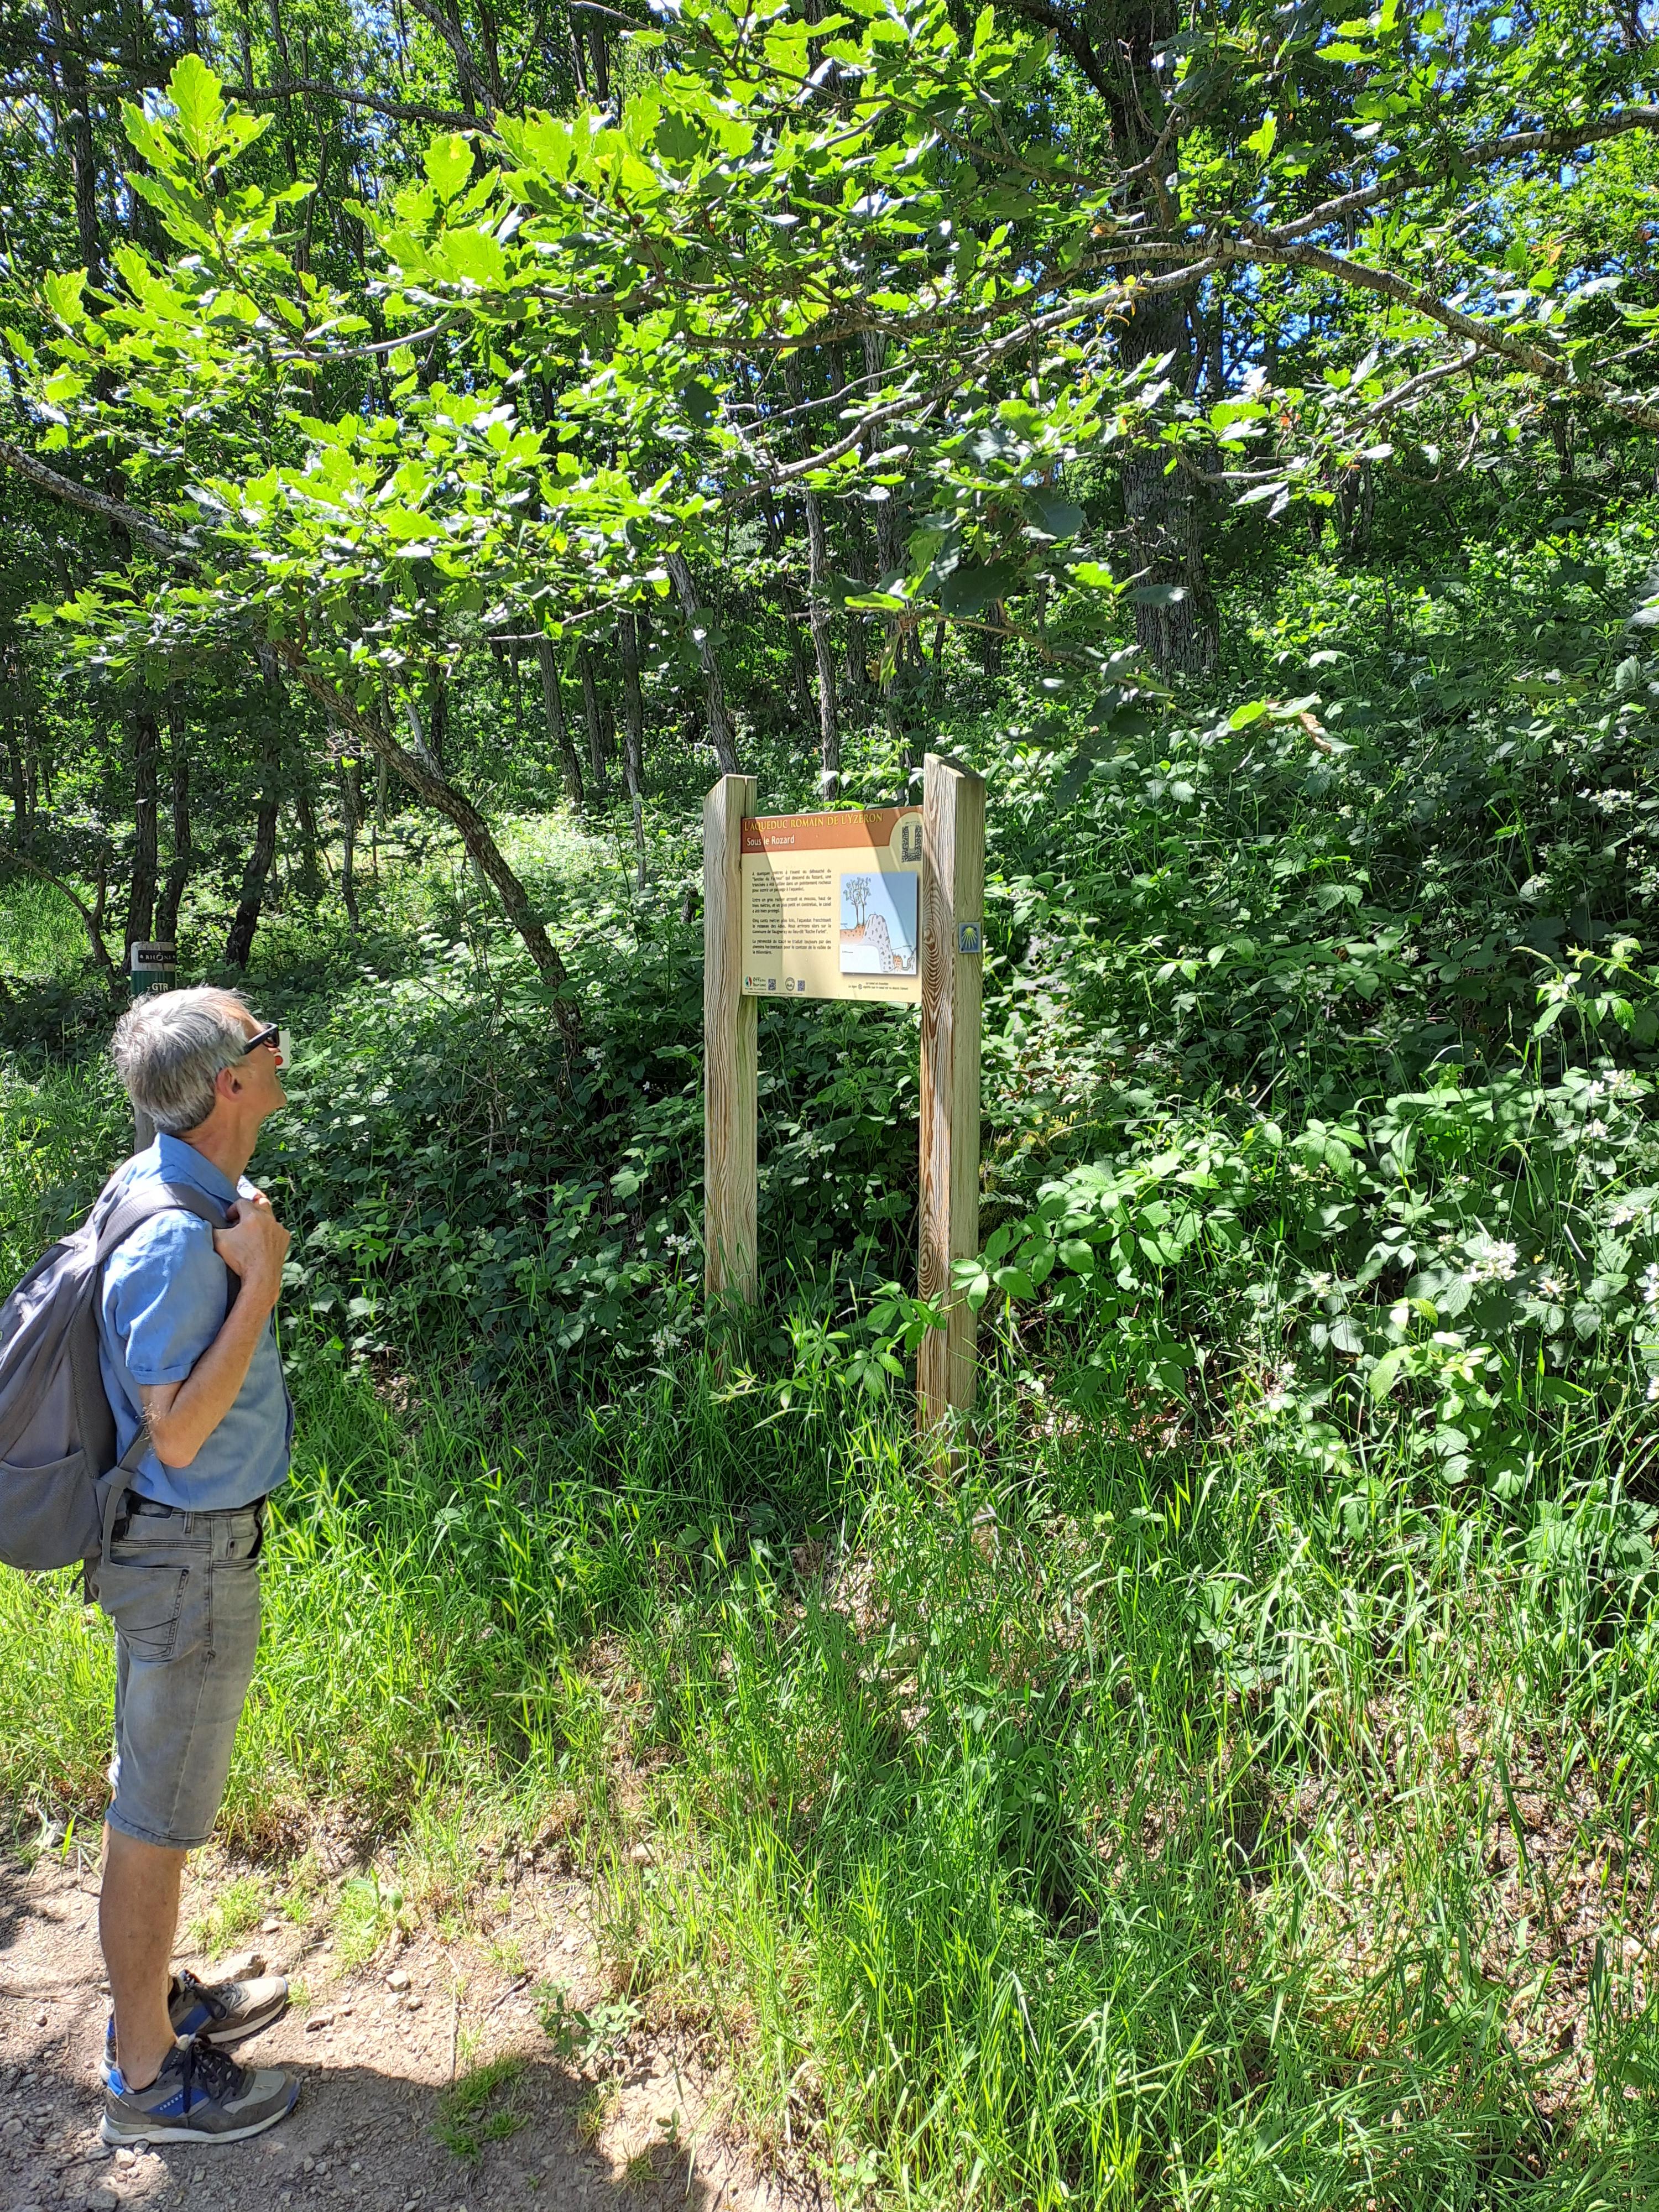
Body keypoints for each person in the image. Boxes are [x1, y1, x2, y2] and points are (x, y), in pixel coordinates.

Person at [91, 986, 301, 2146]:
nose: (278, 1047)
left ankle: (152, 2002)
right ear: (230, 1082)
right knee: (157, 1814)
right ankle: (144, 2078)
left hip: (177, 1550)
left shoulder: (171, 1183)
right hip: (187, 1556)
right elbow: (173, 1431)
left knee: (153, 1795)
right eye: (264, 1037)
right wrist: (259, 1278)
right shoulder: (182, 1233)